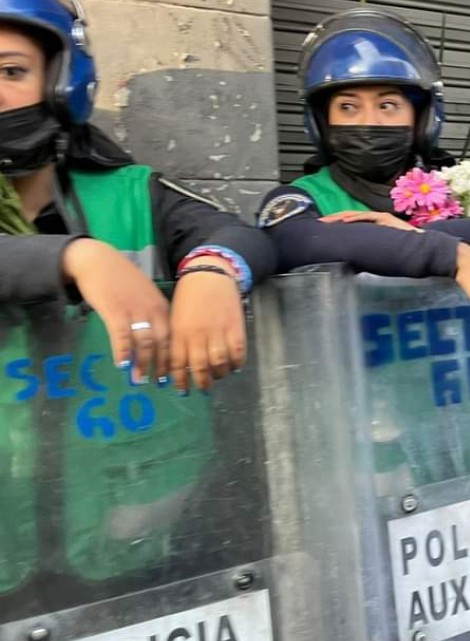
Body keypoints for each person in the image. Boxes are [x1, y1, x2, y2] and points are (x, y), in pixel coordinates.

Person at [0, 0, 272, 390]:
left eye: (11, 71)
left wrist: (213, 270)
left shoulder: (132, 193)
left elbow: (238, 235)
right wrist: (77, 257)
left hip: (152, 431)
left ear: (62, 85)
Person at [258, 7, 470, 354]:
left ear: (421, 118)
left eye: (388, 105)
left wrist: (410, 233)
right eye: (348, 107)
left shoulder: (448, 186)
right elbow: (299, 241)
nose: (370, 122)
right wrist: (450, 252)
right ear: (322, 122)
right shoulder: (302, 197)